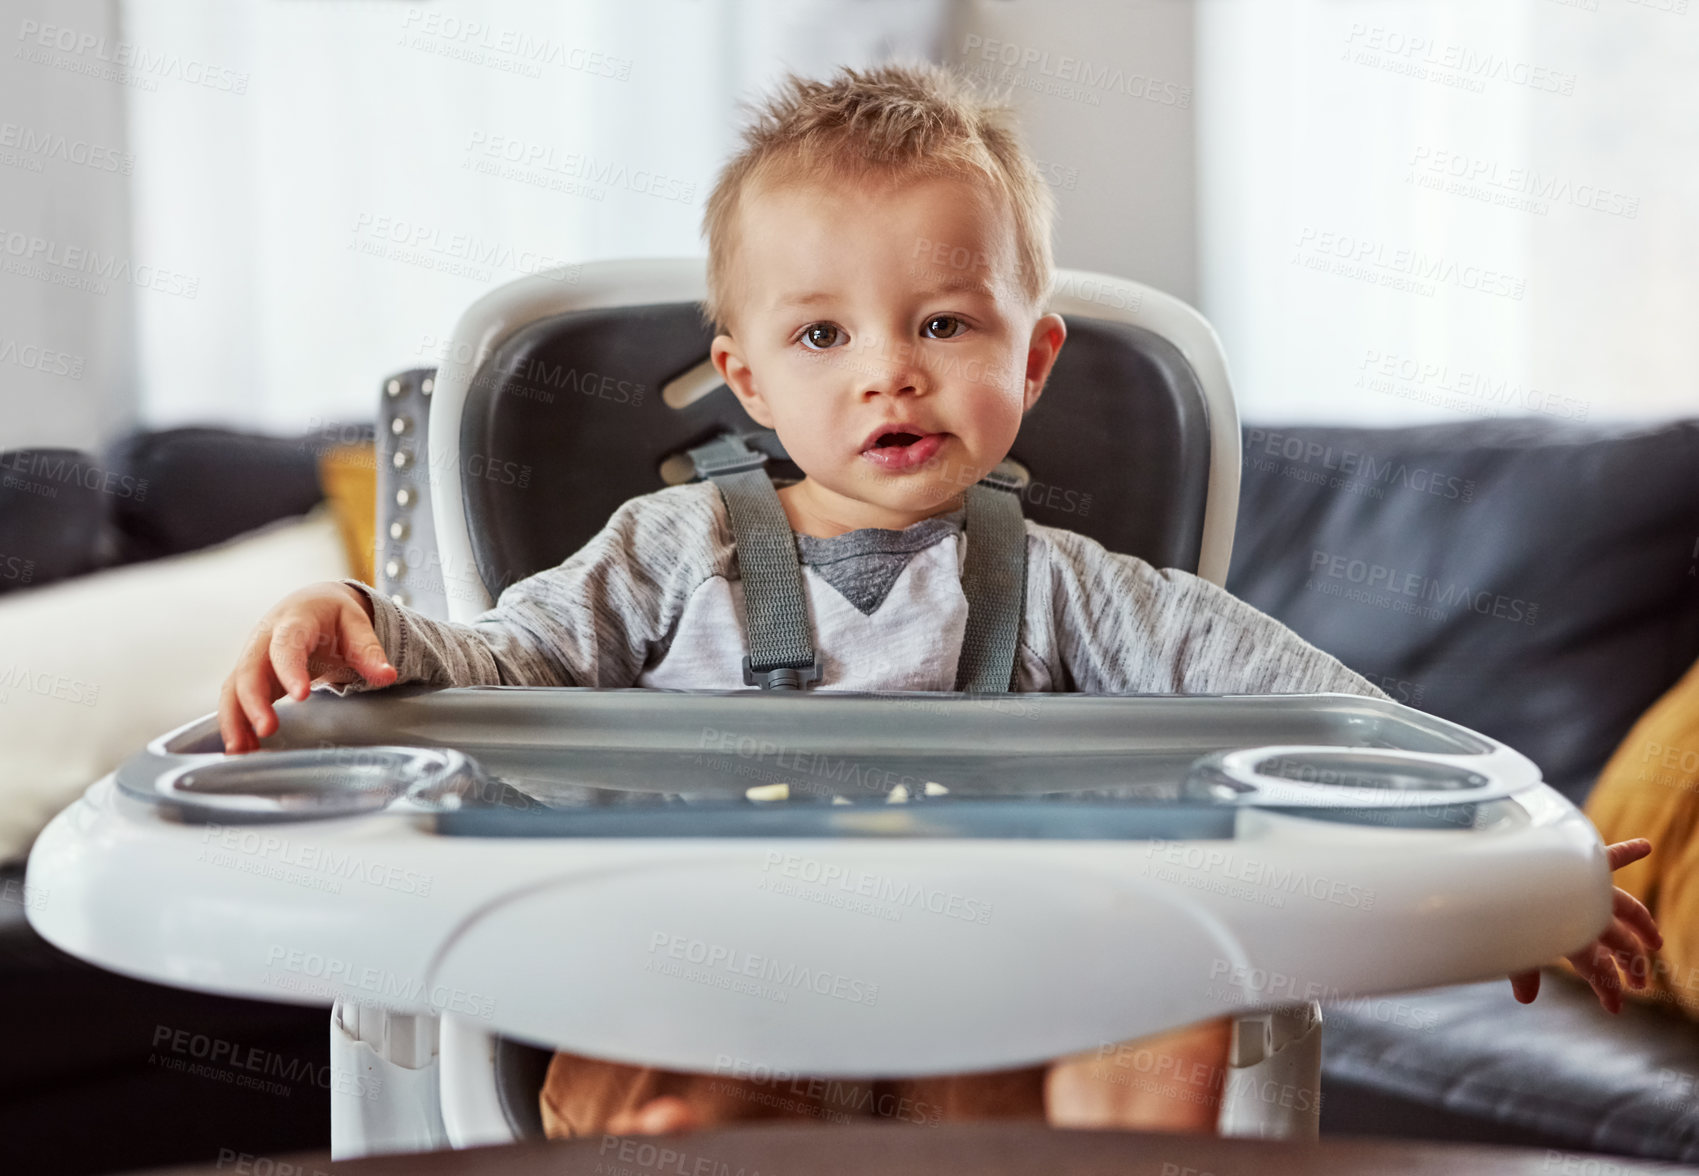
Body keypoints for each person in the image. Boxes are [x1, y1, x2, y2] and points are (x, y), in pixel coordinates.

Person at [216, 61, 1661, 1139]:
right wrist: (368, 630)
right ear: (750, 380)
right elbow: (502, 668)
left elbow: (1313, 708)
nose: (888, 372)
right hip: (720, 996)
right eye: (823, 333)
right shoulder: (666, 554)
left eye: (946, 322)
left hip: (988, 1040)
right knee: (658, 1083)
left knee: (1176, 998)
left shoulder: (1080, 594)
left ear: (1032, 363)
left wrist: (1495, 846)